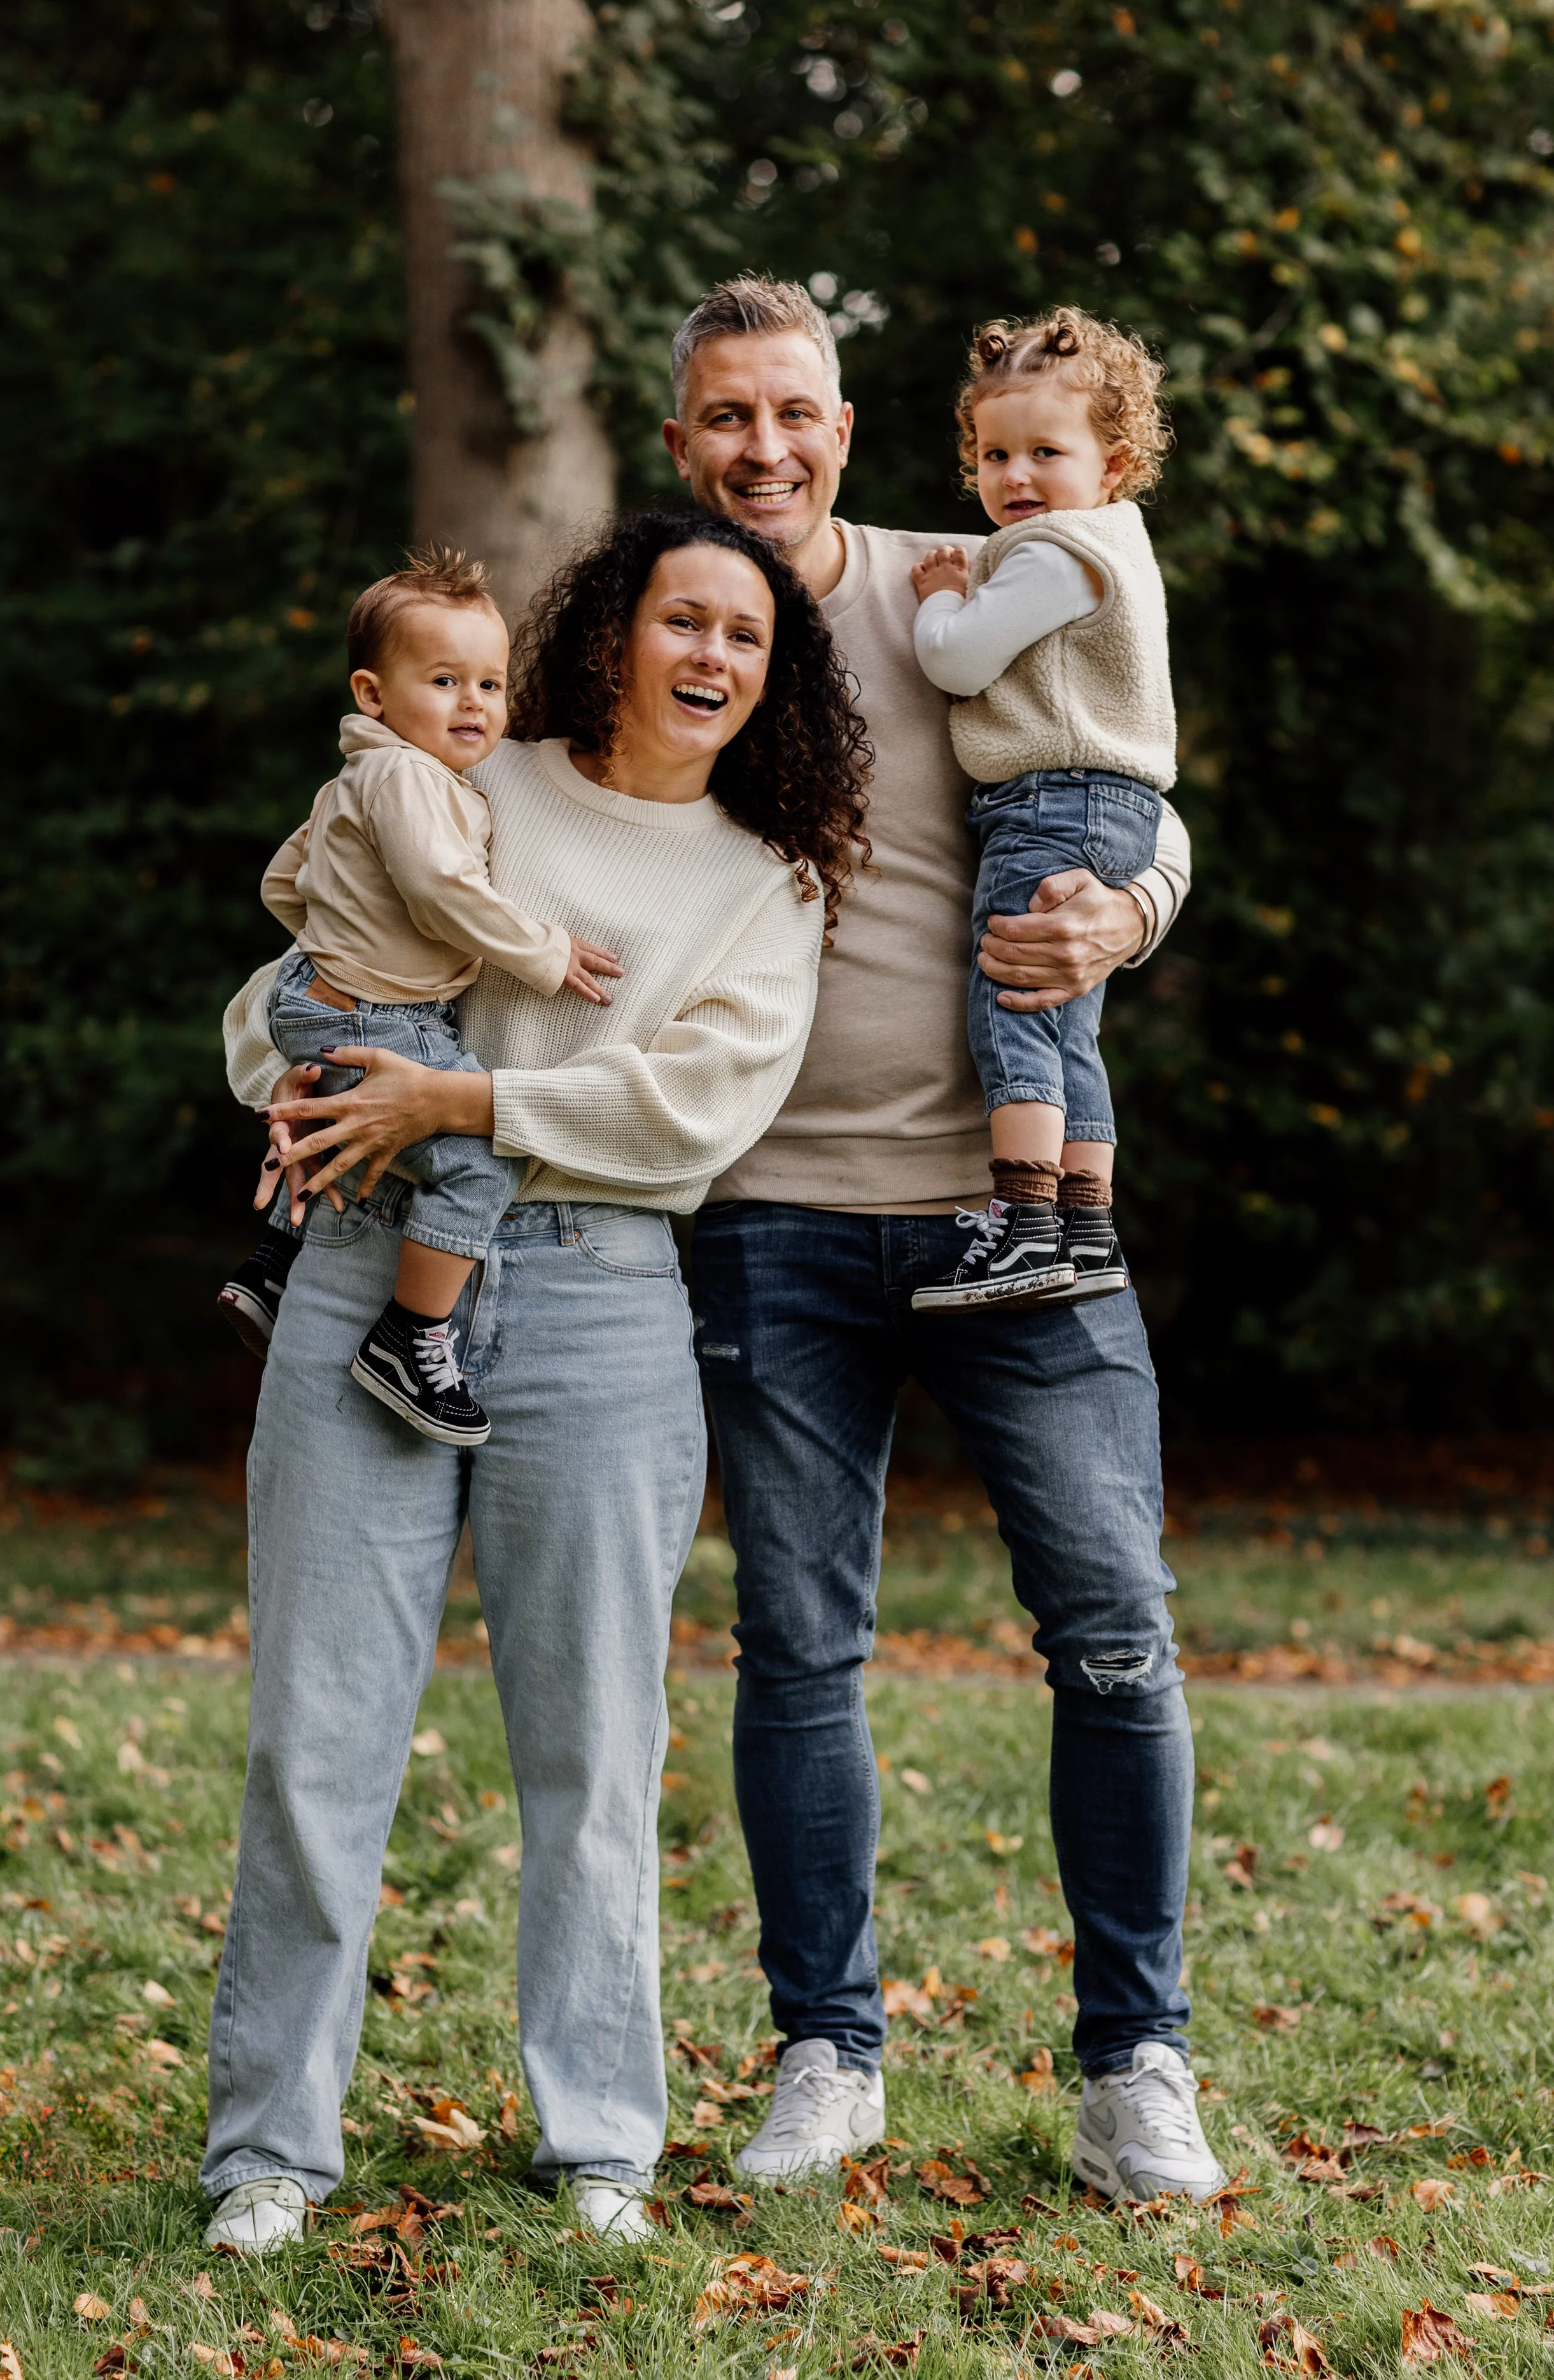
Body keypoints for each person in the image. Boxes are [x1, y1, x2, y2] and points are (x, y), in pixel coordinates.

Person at [200, 506, 869, 2253]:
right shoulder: (476, 762)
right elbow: (300, 950)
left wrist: (462, 1102)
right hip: (367, 1269)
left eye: (749, 633)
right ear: (616, 633)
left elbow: (694, 1108)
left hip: (600, 1302)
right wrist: (292, 1063)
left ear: (773, 673)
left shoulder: (765, 877)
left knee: (589, 1745)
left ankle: (599, 2141)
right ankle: (270, 2144)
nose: (713, 654)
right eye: (683, 619)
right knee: (314, 1731)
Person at [661, 276, 1228, 2204]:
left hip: (1021, 1210)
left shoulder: (969, 576)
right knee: (796, 1645)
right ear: (685, 445)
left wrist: (1127, 915)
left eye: (793, 412)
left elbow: (1143, 793)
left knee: (1114, 1633)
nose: (763, 447)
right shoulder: (668, 627)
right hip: (770, 1217)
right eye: (725, 417)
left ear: (842, 423)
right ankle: (827, 2045)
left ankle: (1133, 2057)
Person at [217, 547, 624, 1446]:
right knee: (484, 1158)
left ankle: (275, 1260)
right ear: (373, 693)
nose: (476, 702)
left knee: (344, 1125)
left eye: (490, 680)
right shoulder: (406, 776)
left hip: (329, 991)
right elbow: (442, 891)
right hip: (371, 1009)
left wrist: (339, 937)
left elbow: (287, 879)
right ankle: (412, 1336)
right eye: (445, 680)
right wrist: (543, 953)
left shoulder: (369, 775)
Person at [907, 307, 1175, 1314]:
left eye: (1045, 453)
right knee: (1070, 1029)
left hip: (1049, 800)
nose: (1016, 477)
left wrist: (940, 595)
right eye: (994, 453)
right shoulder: (1122, 549)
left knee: (1011, 1000)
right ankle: (1090, 1227)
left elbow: (957, 657)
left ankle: (1022, 1222)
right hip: (1117, 806)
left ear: (1111, 463)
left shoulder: (1056, 551)